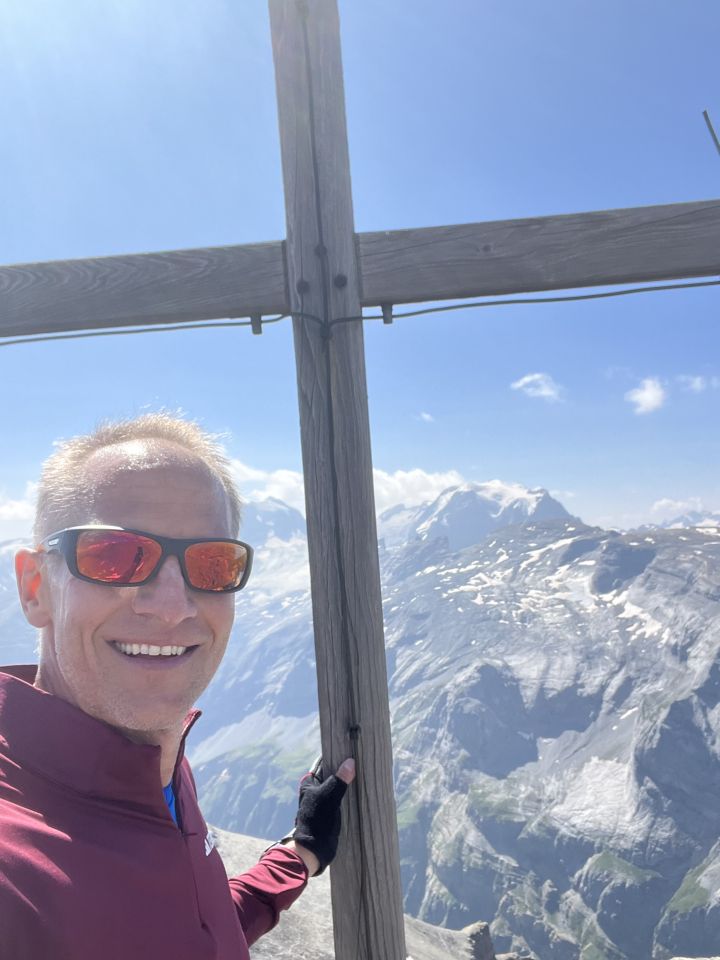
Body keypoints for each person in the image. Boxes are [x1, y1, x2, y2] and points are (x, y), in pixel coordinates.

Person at [0, 413, 355, 960]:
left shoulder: (155, 767)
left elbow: (186, 930)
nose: (171, 607)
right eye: (114, 556)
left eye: (212, 564)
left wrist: (299, 855)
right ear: (34, 587)